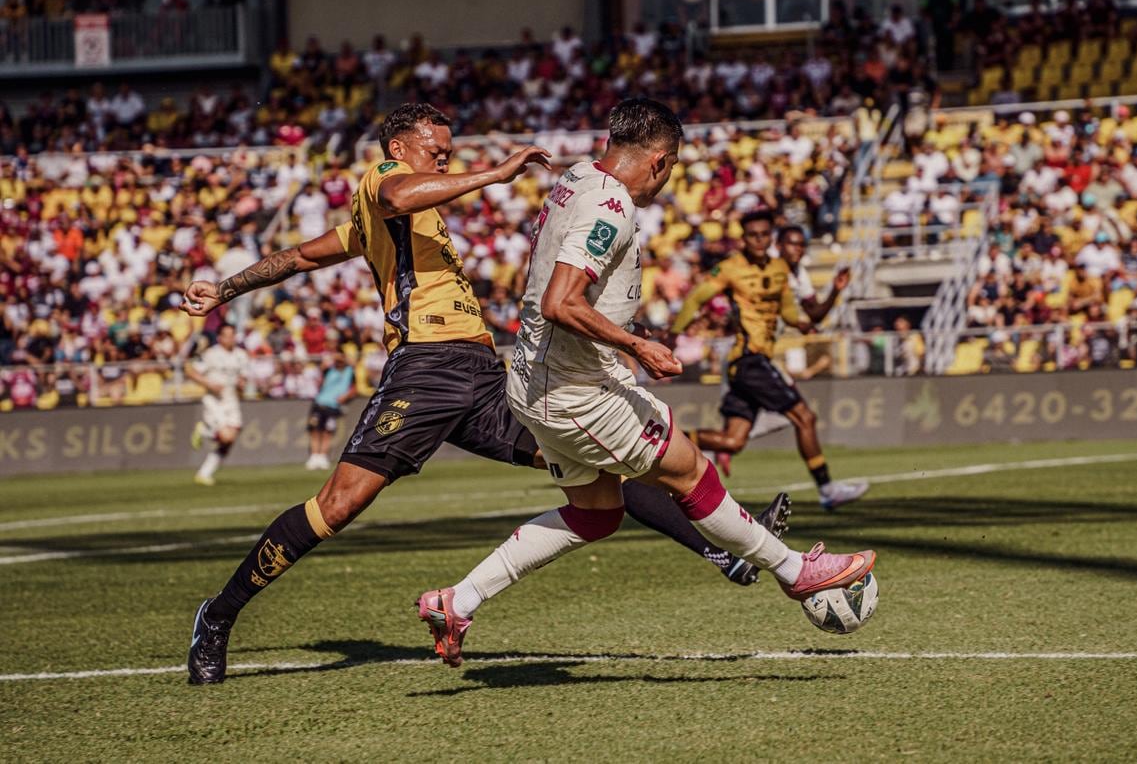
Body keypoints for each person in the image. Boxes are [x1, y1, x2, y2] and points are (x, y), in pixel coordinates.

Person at [181, 103, 785, 685]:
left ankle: (726, 551)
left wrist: (225, 288)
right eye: (435, 152)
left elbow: (298, 256)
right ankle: (219, 614)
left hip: (483, 375)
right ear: (398, 149)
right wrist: (494, 174)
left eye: (449, 153)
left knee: (602, 469)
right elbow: (395, 195)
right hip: (424, 370)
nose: (444, 161)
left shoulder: (393, 223)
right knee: (337, 507)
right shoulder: (385, 182)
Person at [416, 98, 876, 667]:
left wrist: (628, 330)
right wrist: (637, 346)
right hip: (575, 391)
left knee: (596, 512)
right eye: (673, 165)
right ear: (658, 161)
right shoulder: (611, 207)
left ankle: (457, 601)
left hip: (537, 380)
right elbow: (562, 301)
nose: (670, 176)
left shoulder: (577, 178)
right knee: (691, 472)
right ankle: (796, 570)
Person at [669, 211, 869, 511]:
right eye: (753, 235)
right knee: (805, 418)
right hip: (749, 360)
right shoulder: (732, 268)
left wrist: (812, 313)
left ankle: (666, 439)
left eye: (764, 235)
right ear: (745, 239)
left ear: (770, 238)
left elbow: (792, 313)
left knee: (733, 441)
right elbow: (697, 297)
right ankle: (828, 489)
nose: (759, 241)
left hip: (753, 362)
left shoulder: (781, 271)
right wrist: (674, 335)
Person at [186, 323, 249, 486]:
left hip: (231, 399)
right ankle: (204, 430)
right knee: (225, 436)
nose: (231, 339)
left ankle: (204, 473)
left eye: (233, 335)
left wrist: (241, 384)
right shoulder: (211, 354)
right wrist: (208, 383)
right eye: (227, 335)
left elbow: (243, 377)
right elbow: (191, 372)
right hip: (214, 400)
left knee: (229, 440)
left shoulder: (241, 355)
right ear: (220, 338)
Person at [305, 341, 356, 471]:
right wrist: (331, 359)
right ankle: (314, 456)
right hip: (320, 403)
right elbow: (321, 372)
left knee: (327, 432)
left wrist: (345, 396)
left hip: (333, 406)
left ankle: (323, 456)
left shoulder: (349, 371)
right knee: (315, 430)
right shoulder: (329, 370)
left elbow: (354, 388)